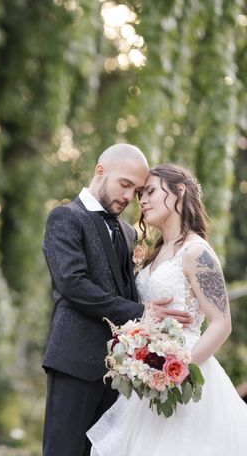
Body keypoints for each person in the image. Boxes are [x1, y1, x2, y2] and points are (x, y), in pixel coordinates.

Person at [41, 146, 192, 456]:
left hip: (121, 372)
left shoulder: (126, 231)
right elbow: (73, 284)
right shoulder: (66, 217)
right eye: (125, 184)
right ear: (100, 171)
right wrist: (140, 311)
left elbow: (127, 289)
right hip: (74, 361)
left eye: (136, 191)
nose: (129, 197)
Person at [88, 163, 247, 455]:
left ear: (179, 191)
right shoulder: (155, 253)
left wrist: (179, 372)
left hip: (185, 376)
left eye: (150, 191)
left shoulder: (197, 253)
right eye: (140, 195)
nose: (142, 200)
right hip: (149, 377)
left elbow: (221, 324)